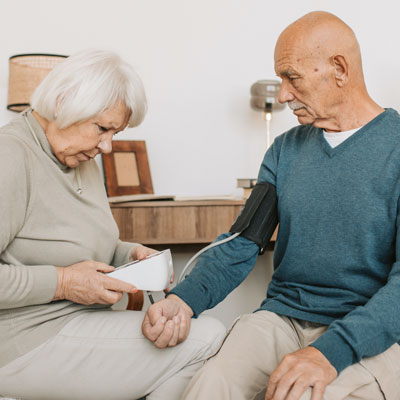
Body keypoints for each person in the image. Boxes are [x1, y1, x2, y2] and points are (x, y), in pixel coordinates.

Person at [142, 11, 400, 400]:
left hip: (368, 332)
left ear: (340, 69)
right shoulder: (285, 150)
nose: (282, 95)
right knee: (210, 388)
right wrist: (184, 298)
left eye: (291, 77)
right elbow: (243, 242)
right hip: (281, 319)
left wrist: (329, 353)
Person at [0, 50, 226, 400]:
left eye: (115, 133)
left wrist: (129, 255)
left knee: (191, 334)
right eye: (102, 128)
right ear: (62, 103)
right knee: (206, 338)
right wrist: (62, 283)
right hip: (21, 340)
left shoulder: (80, 157)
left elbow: (77, 241)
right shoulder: (10, 156)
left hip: (73, 323)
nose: (107, 146)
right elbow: (65, 271)